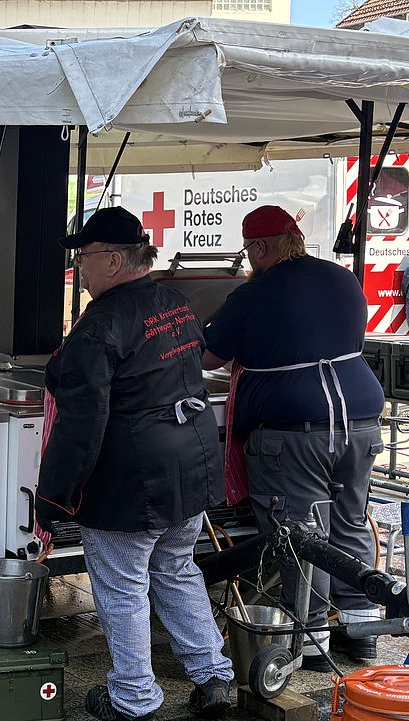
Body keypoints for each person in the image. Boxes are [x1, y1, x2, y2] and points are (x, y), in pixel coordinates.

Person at [35, 207, 233, 721]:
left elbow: (82, 422)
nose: (79, 268)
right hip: (189, 464)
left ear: (116, 260)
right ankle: (213, 677)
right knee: (176, 567)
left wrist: (54, 496)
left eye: (85, 257)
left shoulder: (100, 323)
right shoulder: (176, 303)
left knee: (123, 587)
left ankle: (133, 697)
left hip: (133, 476)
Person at [203, 205, 385, 670]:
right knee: (349, 522)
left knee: (298, 533)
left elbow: (208, 358)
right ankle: (362, 631)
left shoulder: (255, 294)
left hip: (294, 433)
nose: (248, 259)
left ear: (260, 247)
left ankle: (310, 640)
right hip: (360, 421)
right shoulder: (344, 279)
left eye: (249, 250)